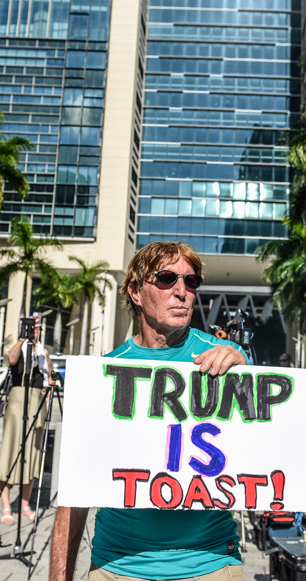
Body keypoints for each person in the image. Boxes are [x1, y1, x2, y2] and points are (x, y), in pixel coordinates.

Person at [50, 241, 247, 581]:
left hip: (210, 565)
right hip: (118, 566)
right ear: (136, 293)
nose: (182, 291)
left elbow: (270, 439)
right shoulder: (107, 372)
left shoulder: (225, 357)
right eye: (167, 278)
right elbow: (74, 491)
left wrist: (246, 371)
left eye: (191, 281)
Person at [0, 311, 55, 524]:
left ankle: (24, 504)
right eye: (32, 328)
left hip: (35, 400)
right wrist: (22, 337)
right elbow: (11, 360)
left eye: (38, 328)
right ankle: (5, 506)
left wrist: (49, 386)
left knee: (31, 453)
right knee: (10, 450)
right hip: (18, 397)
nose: (35, 332)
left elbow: (49, 375)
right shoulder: (19, 348)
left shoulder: (42, 352)